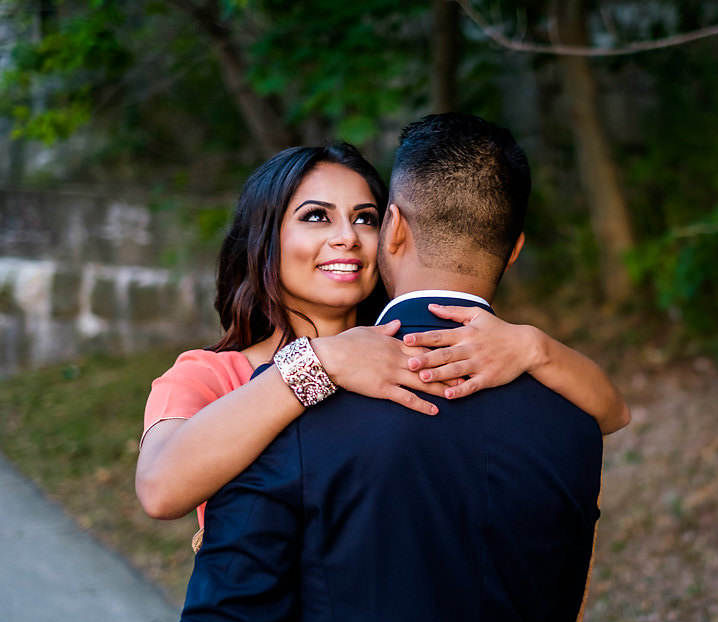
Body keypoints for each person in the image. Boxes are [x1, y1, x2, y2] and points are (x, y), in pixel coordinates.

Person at [176, 113, 610, 622]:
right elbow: (554, 618)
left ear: (393, 229)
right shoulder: (571, 420)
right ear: (515, 249)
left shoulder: (291, 401)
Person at [137, 143, 629, 538]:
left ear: (393, 233)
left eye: (366, 218)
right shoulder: (207, 375)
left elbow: (608, 415)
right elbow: (160, 491)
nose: (347, 237)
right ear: (264, 236)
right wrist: (317, 362)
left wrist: (534, 348)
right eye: (315, 216)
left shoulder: (420, 352)